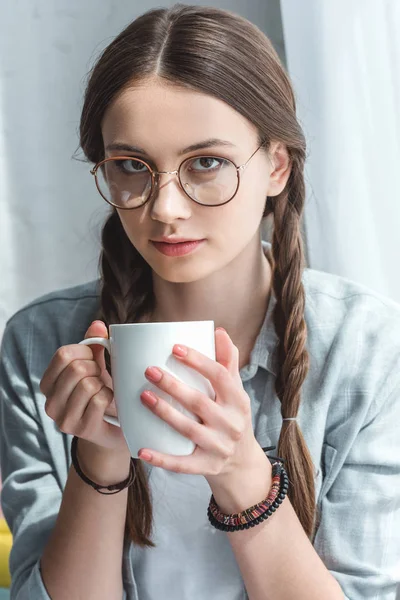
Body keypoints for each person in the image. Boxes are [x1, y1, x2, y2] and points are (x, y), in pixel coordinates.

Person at [0, 3, 399, 599]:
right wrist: (99, 462)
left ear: (277, 167)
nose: (165, 207)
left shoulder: (364, 349)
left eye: (207, 163)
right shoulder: (40, 342)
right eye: (132, 165)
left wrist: (241, 472)